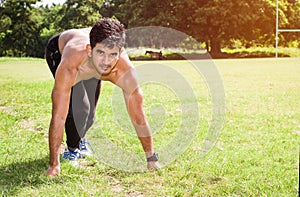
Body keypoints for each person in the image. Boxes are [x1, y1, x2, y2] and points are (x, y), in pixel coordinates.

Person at [45, 18, 160, 177]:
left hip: (90, 61)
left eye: (113, 54)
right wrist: (54, 165)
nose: (106, 62)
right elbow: (58, 117)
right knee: (81, 110)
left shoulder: (126, 73)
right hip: (59, 49)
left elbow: (139, 118)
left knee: (90, 116)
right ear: (90, 49)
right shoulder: (71, 65)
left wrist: (151, 158)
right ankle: (72, 150)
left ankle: (81, 139)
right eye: (101, 53)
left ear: (120, 53)